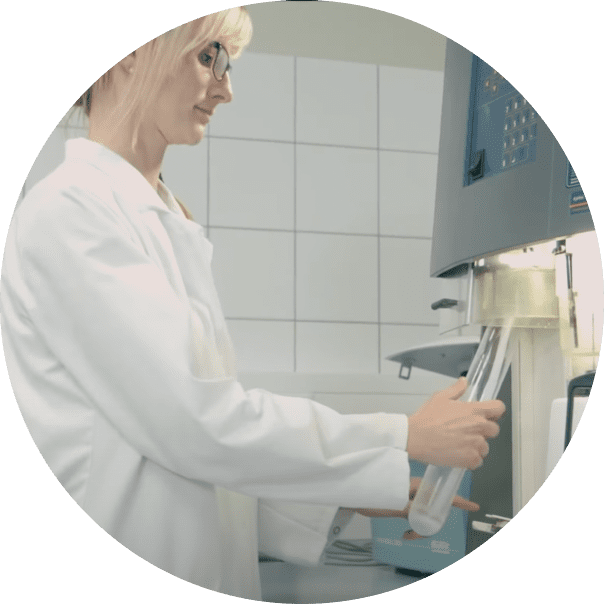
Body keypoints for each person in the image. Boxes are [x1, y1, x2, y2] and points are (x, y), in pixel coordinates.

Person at [0, 7, 505, 600]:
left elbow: (193, 464)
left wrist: (352, 490)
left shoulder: (159, 215)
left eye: (227, 64)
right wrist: (401, 438)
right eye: (208, 56)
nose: (226, 89)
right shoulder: (71, 212)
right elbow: (196, 425)